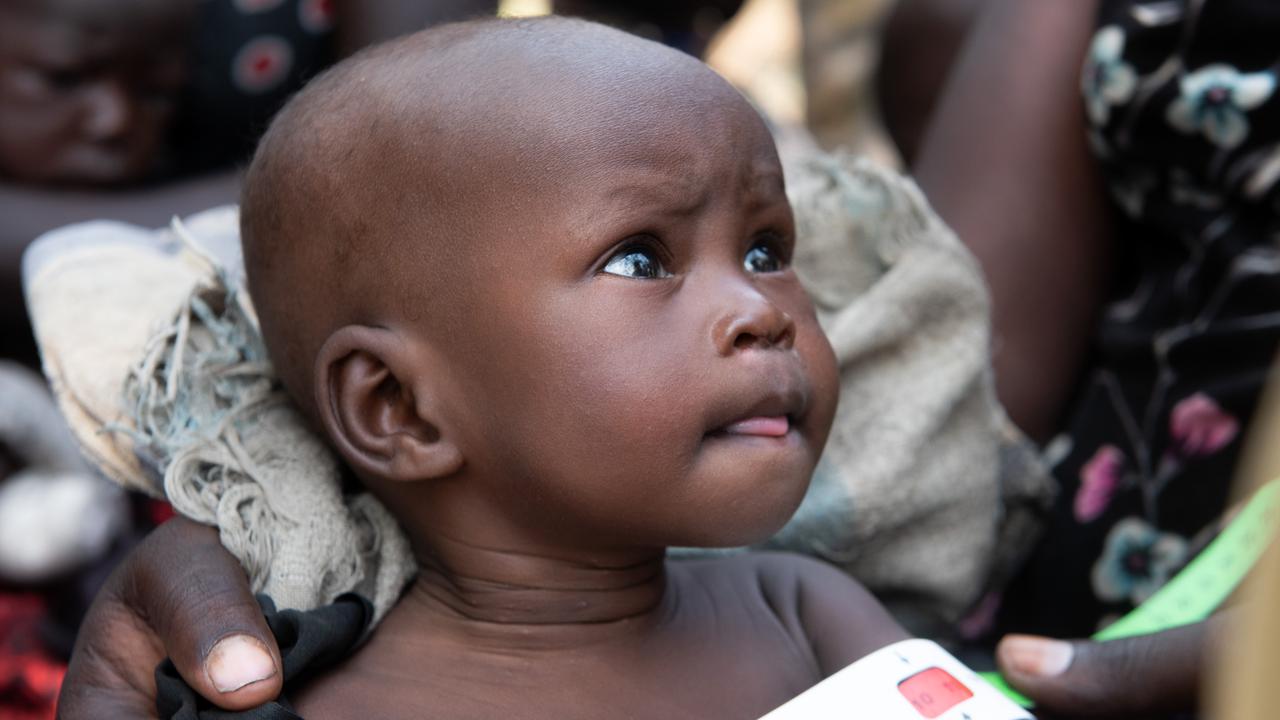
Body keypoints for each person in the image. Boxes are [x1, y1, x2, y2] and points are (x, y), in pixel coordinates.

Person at [68, 17, 915, 718]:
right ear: (398, 406)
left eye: (766, 249)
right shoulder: (299, 694)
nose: (762, 312)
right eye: (639, 260)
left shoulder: (803, 618)